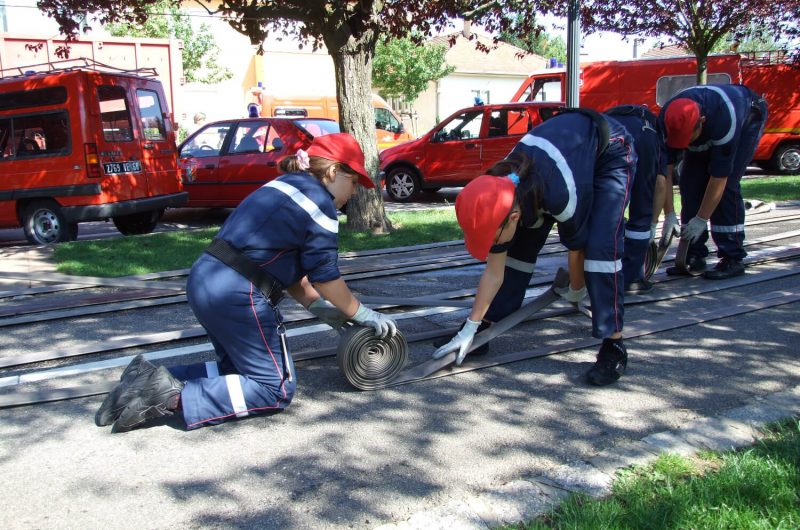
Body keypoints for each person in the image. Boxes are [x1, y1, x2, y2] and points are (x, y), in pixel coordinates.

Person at [96, 133, 398, 432]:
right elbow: (326, 277)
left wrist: (322, 310)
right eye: (355, 181)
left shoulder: (287, 185)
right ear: (333, 172)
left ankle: (144, 380)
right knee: (273, 389)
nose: (356, 191)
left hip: (206, 279)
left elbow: (289, 271)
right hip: (238, 293)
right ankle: (173, 397)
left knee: (236, 372)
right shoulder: (320, 203)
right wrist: (360, 313)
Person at [433, 110, 637, 386]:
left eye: (493, 237)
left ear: (514, 216)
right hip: (557, 163)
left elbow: (577, 248)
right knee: (517, 250)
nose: (493, 244)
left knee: (600, 248)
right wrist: (471, 326)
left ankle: (614, 345)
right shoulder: (500, 186)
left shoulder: (562, 194)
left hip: (609, 152)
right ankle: (487, 325)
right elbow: (495, 271)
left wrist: (576, 291)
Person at [658, 84, 768, 279]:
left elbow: (719, 177)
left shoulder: (725, 120)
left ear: (701, 121)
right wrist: (669, 214)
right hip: (707, 125)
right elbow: (665, 172)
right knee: (690, 184)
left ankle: (732, 257)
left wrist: (701, 219)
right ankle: (694, 254)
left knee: (727, 188)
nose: (686, 145)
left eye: (687, 138)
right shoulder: (668, 118)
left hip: (748, 117)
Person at [604, 104, 668, 293]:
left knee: (605, 206)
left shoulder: (610, 120)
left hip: (606, 132)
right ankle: (631, 278)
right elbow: (660, 183)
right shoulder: (653, 132)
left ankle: (599, 273)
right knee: (641, 208)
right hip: (642, 136)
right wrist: (653, 224)